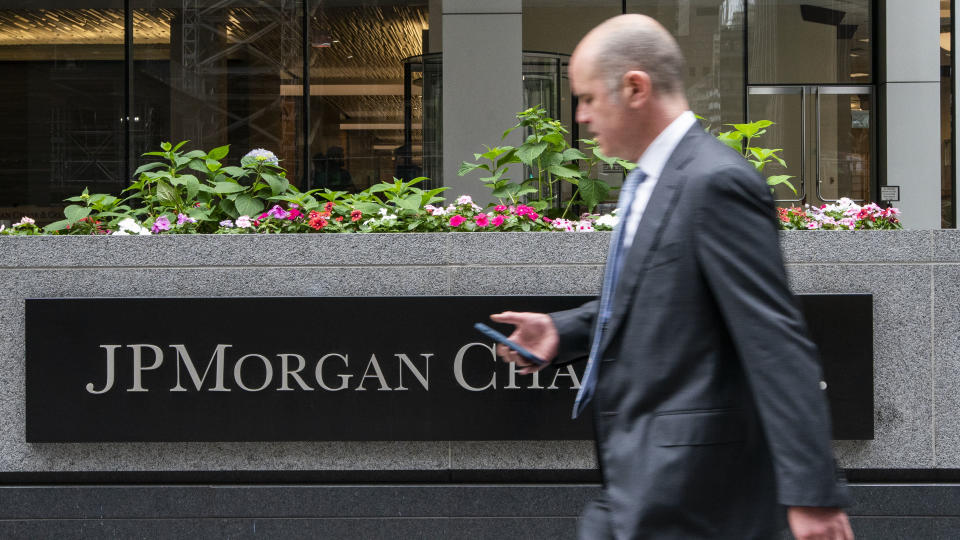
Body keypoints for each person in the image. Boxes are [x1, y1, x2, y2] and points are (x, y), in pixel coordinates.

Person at [490, 14, 853, 540]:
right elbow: (659, 300)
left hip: (698, 501)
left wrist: (812, 497)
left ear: (635, 87)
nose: (582, 116)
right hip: (642, 492)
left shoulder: (716, 182)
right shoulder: (650, 182)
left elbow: (775, 343)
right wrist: (562, 331)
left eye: (588, 98)